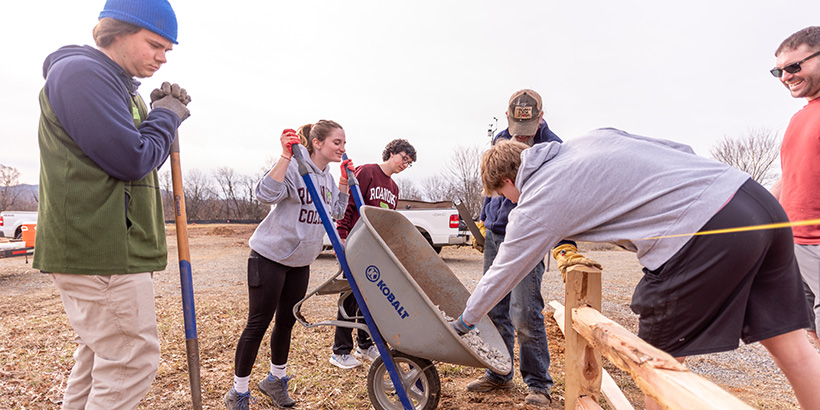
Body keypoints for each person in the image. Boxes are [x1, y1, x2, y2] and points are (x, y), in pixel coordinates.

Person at [452, 131, 820, 410]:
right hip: (755, 200)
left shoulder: (538, 198)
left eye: (503, 196)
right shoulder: (591, 140)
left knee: (654, 362)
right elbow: (679, 150)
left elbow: (504, 271)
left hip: (704, 229)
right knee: (792, 346)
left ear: (508, 181)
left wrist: (465, 322)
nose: (508, 203)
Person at [33, 0, 190, 408]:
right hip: (99, 250)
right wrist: (166, 117)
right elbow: (132, 158)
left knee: (99, 356)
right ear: (115, 32)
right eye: (154, 44)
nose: (162, 57)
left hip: (108, 247)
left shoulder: (116, 85)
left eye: (168, 50)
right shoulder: (82, 74)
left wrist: (159, 115)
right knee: (130, 360)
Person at [224, 122, 351, 410]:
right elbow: (265, 194)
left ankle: (275, 380)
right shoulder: (295, 167)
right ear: (317, 143)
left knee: (287, 321)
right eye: (337, 142)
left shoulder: (328, 179)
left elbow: (337, 212)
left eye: (344, 143)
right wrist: (284, 156)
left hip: (300, 262)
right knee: (258, 324)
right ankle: (238, 392)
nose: (343, 148)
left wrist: (343, 183)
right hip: (269, 256)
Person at [468, 89, 565, 407]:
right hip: (496, 235)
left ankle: (538, 384)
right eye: (515, 131)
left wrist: (564, 242)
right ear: (508, 118)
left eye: (527, 132)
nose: (520, 138)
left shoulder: (554, 148)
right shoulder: (499, 137)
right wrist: (484, 218)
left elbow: (559, 200)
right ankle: (499, 371)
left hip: (527, 238)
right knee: (495, 307)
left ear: (540, 118)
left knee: (524, 311)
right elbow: (491, 177)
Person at [329, 139, 417, 369]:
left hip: (374, 249)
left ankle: (365, 345)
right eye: (403, 158)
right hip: (354, 244)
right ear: (391, 153)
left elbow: (386, 221)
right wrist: (342, 235)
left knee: (372, 298)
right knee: (350, 297)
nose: (405, 164)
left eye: (409, 162)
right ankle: (340, 351)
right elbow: (347, 204)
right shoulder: (367, 172)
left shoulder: (394, 189)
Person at [770, 26, 820, 348]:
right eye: (778, 71)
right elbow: (789, 177)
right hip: (796, 248)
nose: (785, 76)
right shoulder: (799, 119)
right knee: (813, 337)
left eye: (794, 66)